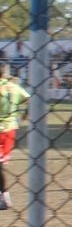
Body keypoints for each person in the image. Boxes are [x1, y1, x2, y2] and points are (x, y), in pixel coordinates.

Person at [0, 69, 30, 210]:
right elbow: (29, 99)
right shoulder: (14, 87)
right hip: (10, 129)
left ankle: (5, 196)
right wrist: (24, 116)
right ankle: (5, 197)